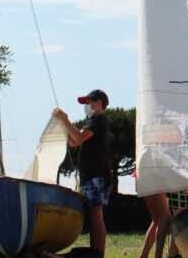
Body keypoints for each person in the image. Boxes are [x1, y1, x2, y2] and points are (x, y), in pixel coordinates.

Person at [53, 89, 113, 258]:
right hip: (92, 176)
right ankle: (95, 252)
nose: (87, 106)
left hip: (96, 176)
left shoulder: (98, 120)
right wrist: (64, 127)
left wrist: (64, 118)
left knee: (96, 215)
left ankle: (97, 253)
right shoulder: (92, 122)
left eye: (89, 102)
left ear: (99, 103)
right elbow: (74, 142)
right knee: (95, 215)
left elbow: (77, 139)